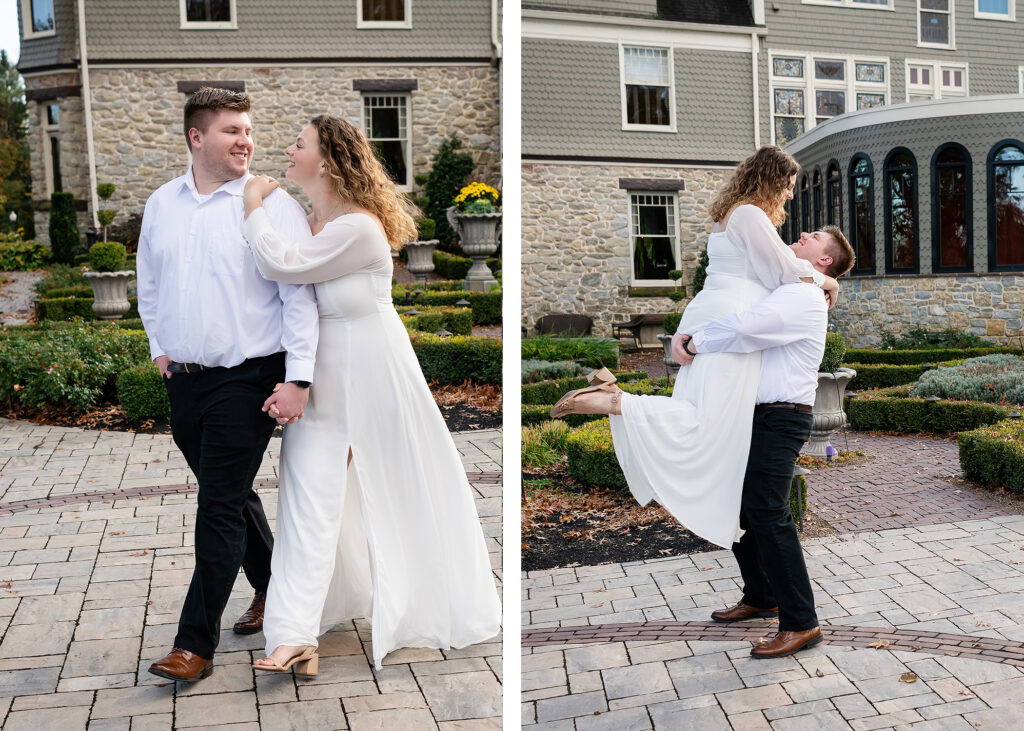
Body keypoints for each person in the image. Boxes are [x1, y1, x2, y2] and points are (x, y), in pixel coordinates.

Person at [240, 115, 501, 673]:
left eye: (300, 144)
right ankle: (294, 635)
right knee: (307, 495)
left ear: (328, 161)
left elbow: (280, 264)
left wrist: (252, 204)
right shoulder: (312, 221)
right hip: (321, 379)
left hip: (375, 372)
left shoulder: (358, 227)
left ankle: (424, 598)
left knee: (399, 486)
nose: (288, 149)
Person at [551, 146, 841, 550]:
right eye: (788, 185)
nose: (791, 194)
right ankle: (614, 401)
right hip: (731, 320)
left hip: (712, 314)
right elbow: (785, 271)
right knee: (710, 422)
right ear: (771, 179)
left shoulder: (731, 214)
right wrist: (829, 281)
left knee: (701, 412)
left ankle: (615, 400)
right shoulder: (750, 215)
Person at [137, 87, 319, 682]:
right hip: (185, 381)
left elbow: (298, 295)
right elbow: (149, 282)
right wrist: (159, 349)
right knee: (233, 494)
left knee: (216, 504)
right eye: (232, 131)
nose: (246, 141)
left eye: (248, 130)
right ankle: (271, 588)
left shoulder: (270, 204)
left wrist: (298, 378)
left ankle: (194, 646)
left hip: (250, 378)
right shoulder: (162, 203)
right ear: (197, 137)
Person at [675, 229, 855, 657]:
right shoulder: (799, 285)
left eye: (815, 237)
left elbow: (747, 328)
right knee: (741, 507)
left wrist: (696, 341)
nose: (802, 234)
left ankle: (802, 622)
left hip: (782, 417)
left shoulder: (802, 297)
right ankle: (761, 595)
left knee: (770, 513)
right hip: (757, 414)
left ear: (824, 259)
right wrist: (829, 281)